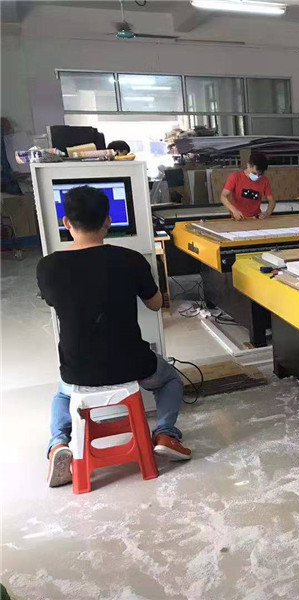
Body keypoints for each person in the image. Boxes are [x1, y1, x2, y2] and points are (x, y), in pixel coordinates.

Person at [39, 185, 191, 488]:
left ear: (66, 223)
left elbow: (55, 303)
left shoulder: (48, 266)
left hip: (78, 368)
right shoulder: (130, 259)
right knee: (171, 379)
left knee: (62, 394)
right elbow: (155, 304)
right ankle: (165, 434)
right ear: (108, 221)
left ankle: (58, 444)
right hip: (132, 364)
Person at [220, 151, 275, 221]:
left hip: (256, 219)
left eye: (260, 174)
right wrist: (234, 210)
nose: (257, 176)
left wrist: (267, 213)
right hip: (239, 219)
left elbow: (271, 201)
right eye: (254, 173)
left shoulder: (264, 180)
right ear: (248, 165)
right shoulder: (235, 177)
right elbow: (223, 196)